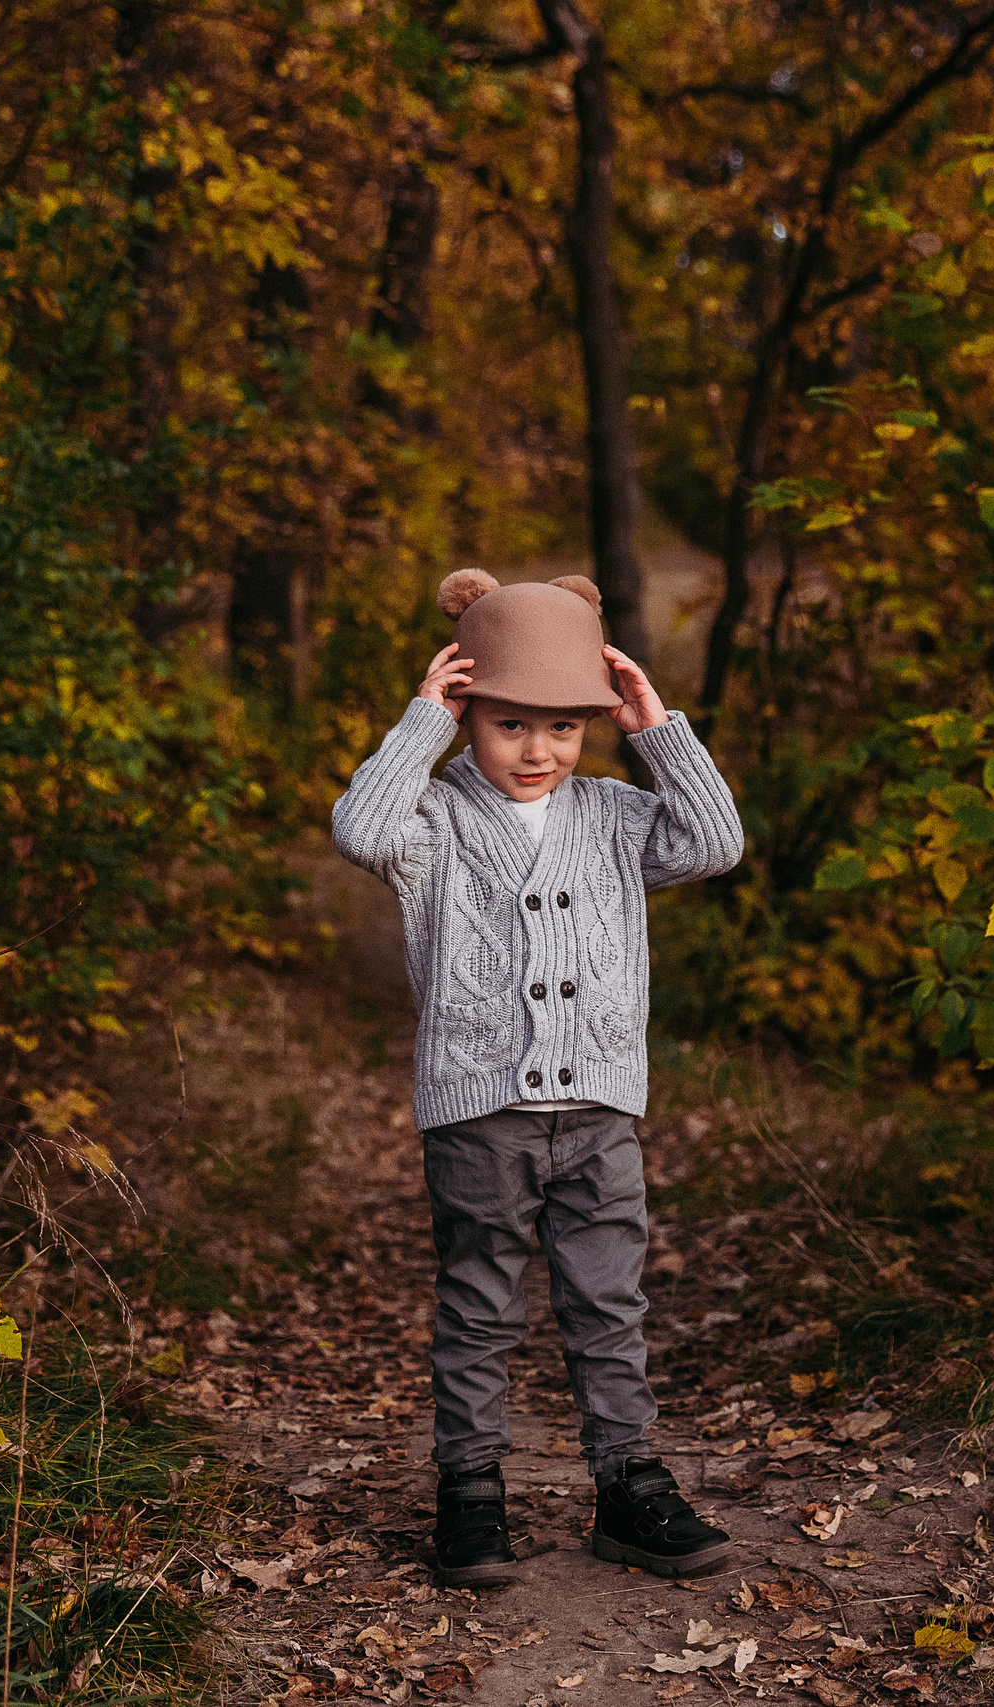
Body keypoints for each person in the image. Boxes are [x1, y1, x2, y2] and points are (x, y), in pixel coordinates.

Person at [331, 569, 745, 1589]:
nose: (537, 750)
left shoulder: (611, 813)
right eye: (511, 725)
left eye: (562, 729)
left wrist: (657, 729)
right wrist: (419, 724)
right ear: (472, 717)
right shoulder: (429, 822)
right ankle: (471, 1495)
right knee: (480, 1308)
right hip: (482, 1117)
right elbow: (360, 829)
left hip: (599, 1112)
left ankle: (629, 1488)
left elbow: (716, 843)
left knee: (609, 1305)